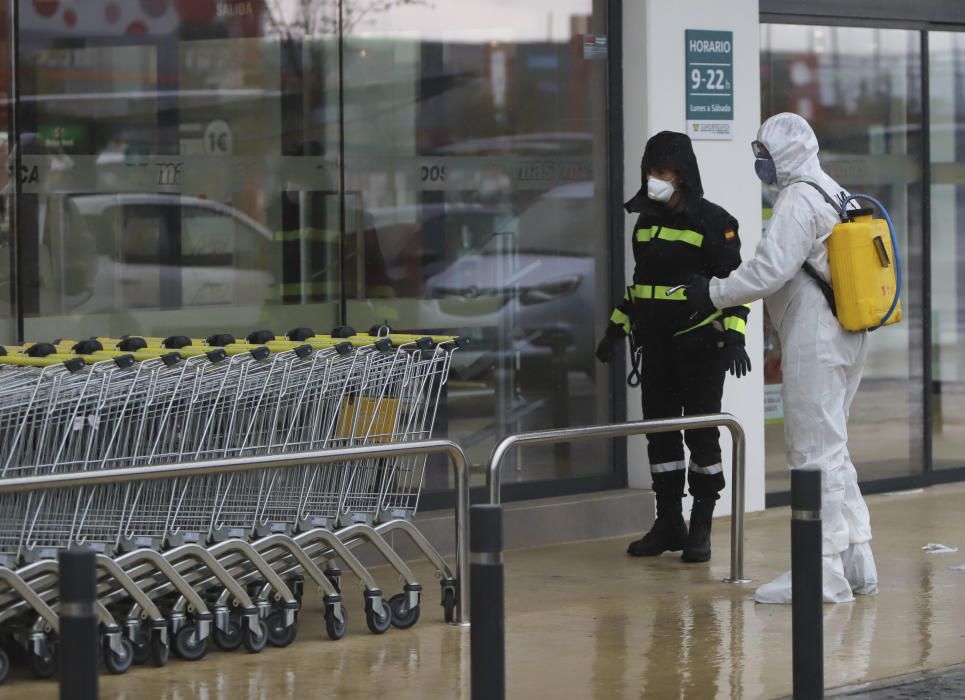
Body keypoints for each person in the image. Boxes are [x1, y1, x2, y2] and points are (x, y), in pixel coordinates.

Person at [684, 112, 877, 603]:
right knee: (833, 446)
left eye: (765, 156)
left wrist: (712, 292)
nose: (761, 165)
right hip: (850, 332)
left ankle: (821, 572)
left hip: (818, 334)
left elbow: (770, 271)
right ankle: (857, 560)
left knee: (812, 451)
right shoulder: (835, 190)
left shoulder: (798, 199)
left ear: (786, 155)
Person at [596, 131, 751, 564]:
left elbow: (734, 290)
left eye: (661, 172)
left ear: (681, 175)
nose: (653, 180)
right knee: (660, 436)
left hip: (701, 347)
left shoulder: (714, 221)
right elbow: (641, 289)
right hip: (657, 348)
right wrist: (614, 331)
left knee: (702, 437)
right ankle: (669, 523)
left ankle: (701, 524)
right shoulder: (645, 224)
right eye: (650, 171)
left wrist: (734, 338)